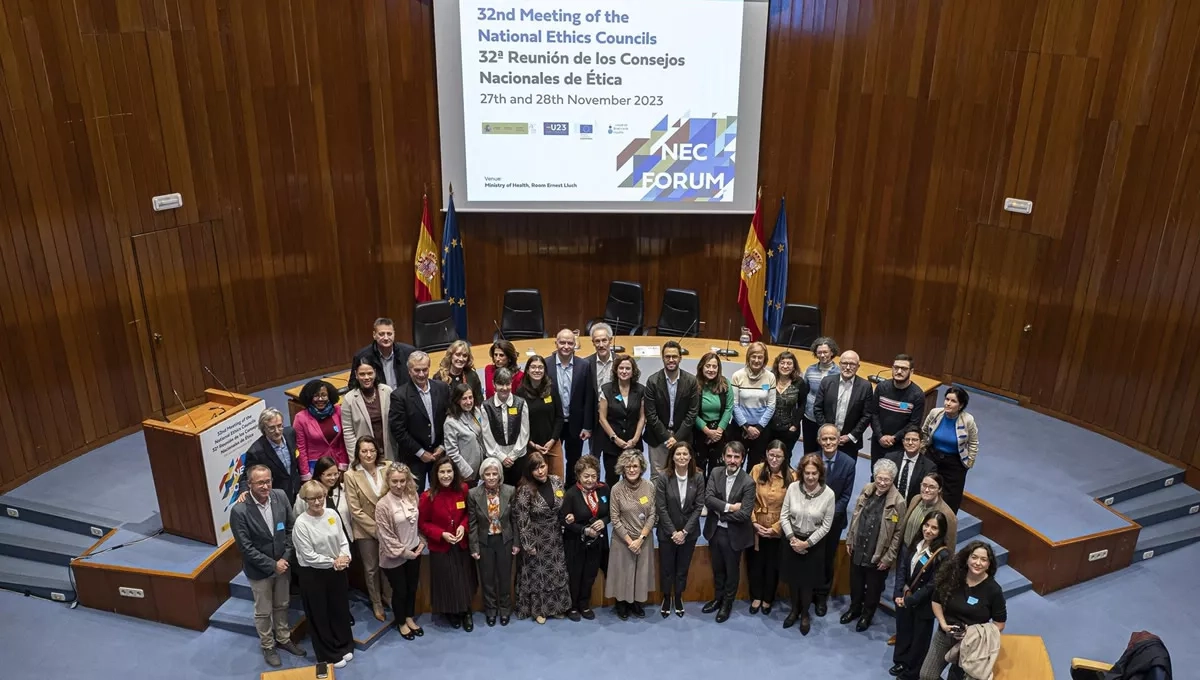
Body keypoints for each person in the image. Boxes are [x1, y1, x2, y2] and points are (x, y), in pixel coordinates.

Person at [229, 465, 307, 667]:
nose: (265, 486)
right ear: (250, 484)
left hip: (283, 564)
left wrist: (285, 558)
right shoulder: (239, 511)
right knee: (263, 611)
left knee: (282, 604)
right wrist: (273, 565)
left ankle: (283, 638)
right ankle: (268, 645)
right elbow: (246, 548)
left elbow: (291, 529)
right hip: (259, 570)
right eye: (260, 483)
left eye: (268, 481)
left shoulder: (280, 496)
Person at [920, 541, 1007, 680]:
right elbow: (936, 601)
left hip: (971, 643)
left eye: (983, 559)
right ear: (967, 558)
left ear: (989, 564)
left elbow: (999, 624)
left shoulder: (994, 590)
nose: (978, 563)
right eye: (974, 557)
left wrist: (972, 633)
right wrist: (943, 624)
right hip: (944, 635)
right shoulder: (952, 576)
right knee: (926, 675)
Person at [293, 480, 354, 668]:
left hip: (337, 570)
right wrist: (333, 562)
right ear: (305, 500)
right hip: (314, 575)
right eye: (312, 499)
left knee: (339, 609)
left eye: (320, 497)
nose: (318, 502)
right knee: (320, 614)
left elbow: (343, 539)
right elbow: (308, 555)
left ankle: (344, 645)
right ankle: (329, 654)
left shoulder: (332, 514)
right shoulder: (301, 523)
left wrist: (345, 556)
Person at [843, 458, 906, 632]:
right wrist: (850, 538)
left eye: (887, 479)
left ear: (892, 480)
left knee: (873, 588)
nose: (882, 483)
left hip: (878, 552)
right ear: (874, 476)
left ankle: (867, 615)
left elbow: (898, 533)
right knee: (855, 582)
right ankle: (854, 608)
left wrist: (888, 557)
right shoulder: (866, 490)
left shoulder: (899, 501)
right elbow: (855, 516)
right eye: (880, 478)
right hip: (859, 546)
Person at [419, 456, 478, 632]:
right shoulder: (427, 496)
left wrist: (463, 527)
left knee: (464, 579)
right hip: (441, 546)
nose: (446, 475)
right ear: (436, 474)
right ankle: (451, 612)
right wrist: (441, 534)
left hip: (461, 544)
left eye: (449, 471)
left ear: (454, 472)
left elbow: (469, 514)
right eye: (442, 472)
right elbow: (423, 524)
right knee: (447, 581)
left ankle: (466, 611)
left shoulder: (463, 489)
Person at [780, 453, 836, 635]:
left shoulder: (829, 494)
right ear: (801, 473)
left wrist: (806, 544)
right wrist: (792, 539)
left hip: (813, 544)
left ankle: (804, 614)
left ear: (820, 474)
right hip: (792, 540)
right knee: (793, 580)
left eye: (814, 473)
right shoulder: (793, 488)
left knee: (807, 583)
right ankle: (794, 610)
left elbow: (826, 526)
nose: (810, 477)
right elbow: (784, 515)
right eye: (807, 473)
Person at [513, 452, 572, 623]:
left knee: (557, 571)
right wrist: (527, 544)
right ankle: (539, 610)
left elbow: (563, 506)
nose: (540, 471)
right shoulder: (524, 490)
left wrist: (567, 517)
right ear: (529, 471)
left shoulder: (556, 481)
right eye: (536, 469)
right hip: (536, 538)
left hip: (555, 536)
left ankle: (556, 607)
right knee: (539, 575)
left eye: (543, 466)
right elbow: (522, 519)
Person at [892, 511, 951, 679]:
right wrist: (898, 592)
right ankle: (901, 661)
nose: (928, 530)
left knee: (919, 641)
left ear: (941, 531)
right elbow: (903, 567)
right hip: (905, 597)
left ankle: (912, 672)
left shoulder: (943, 555)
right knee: (903, 632)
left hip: (923, 604)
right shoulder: (917, 542)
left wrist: (910, 600)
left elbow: (932, 585)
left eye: (934, 528)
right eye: (927, 525)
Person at [702, 441, 756, 623]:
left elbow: (745, 514)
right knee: (717, 568)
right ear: (723, 457)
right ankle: (718, 598)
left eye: (736, 457)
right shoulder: (715, 472)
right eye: (729, 456)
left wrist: (722, 514)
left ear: (742, 459)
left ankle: (727, 603)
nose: (732, 460)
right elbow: (708, 499)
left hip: (734, 534)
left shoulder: (748, 482)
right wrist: (730, 507)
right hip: (714, 531)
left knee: (731, 571)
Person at [343, 437, 393, 622]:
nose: (369, 454)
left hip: (389, 527)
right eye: (364, 451)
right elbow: (355, 510)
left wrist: (387, 528)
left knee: (389, 564)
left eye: (372, 450)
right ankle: (376, 602)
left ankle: (389, 597)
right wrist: (377, 530)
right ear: (358, 453)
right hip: (366, 529)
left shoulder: (388, 467)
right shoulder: (351, 475)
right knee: (371, 569)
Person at [654, 440, 705, 618]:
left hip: (689, 534)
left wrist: (684, 532)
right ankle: (666, 597)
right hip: (667, 532)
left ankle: (678, 597)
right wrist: (673, 532)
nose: (682, 457)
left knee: (682, 568)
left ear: (690, 457)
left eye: (685, 454)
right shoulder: (663, 477)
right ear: (672, 457)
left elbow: (699, 507)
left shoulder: (698, 477)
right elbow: (661, 507)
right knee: (667, 568)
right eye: (678, 454)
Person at [375, 463, 426, 640]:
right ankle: (401, 622)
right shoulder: (382, 505)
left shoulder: (412, 496)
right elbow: (385, 536)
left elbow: (417, 524)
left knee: (412, 588)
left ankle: (409, 617)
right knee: (400, 590)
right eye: (394, 481)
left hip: (415, 551)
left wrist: (421, 542)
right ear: (388, 481)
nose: (399, 485)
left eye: (402, 481)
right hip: (394, 556)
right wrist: (405, 553)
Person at [467, 458, 520, 627]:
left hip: (505, 540)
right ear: (482, 475)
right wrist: (474, 547)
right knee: (487, 578)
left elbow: (515, 520)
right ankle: (490, 610)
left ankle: (505, 609)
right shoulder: (473, 494)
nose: (491, 477)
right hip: (485, 541)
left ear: (500, 475)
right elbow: (472, 523)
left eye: (494, 474)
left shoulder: (510, 491)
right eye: (487, 474)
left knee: (504, 577)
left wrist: (516, 542)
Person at [388, 351, 450, 492]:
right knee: (414, 496)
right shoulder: (399, 396)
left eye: (424, 369)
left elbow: (449, 420)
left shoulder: (442, 388)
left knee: (442, 494)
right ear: (409, 371)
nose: (421, 374)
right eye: (417, 370)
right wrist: (421, 452)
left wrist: (442, 445)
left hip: (439, 454)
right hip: (414, 458)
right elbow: (398, 430)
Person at [605, 449, 656, 620]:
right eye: (628, 466)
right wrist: (629, 541)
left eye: (635, 466)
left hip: (643, 538)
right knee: (622, 573)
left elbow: (652, 515)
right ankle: (621, 603)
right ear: (623, 468)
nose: (632, 469)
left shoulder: (649, 487)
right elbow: (614, 518)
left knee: (640, 573)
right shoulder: (616, 489)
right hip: (622, 539)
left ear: (641, 468)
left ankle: (636, 603)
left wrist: (640, 539)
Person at [813, 423, 858, 616]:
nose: (829, 442)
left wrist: (828, 516)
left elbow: (846, 496)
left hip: (834, 521)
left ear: (839, 440)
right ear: (819, 440)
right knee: (811, 556)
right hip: (811, 519)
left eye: (832, 438)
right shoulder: (811, 460)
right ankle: (808, 591)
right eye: (825, 438)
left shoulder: (849, 463)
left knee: (826, 558)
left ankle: (821, 596)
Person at [560, 456, 609, 621]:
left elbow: (610, 513)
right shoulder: (571, 494)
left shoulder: (604, 490)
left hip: (597, 542)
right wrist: (584, 530)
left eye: (594, 476)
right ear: (579, 476)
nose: (590, 480)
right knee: (575, 575)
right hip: (576, 542)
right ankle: (572, 606)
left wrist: (604, 521)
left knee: (590, 574)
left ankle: (584, 604)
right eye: (586, 476)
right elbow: (563, 521)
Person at [747, 441, 794, 616]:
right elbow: (747, 498)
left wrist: (776, 528)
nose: (774, 459)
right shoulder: (756, 469)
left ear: (784, 457)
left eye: (778, 456)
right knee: (755, 563)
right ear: (766, 454)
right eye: (771, 455)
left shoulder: (793, 476)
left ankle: (768, 598)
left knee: (772, 565)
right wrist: (753, 522)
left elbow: (792, 507)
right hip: (756, 525)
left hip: (778, 526)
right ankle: (756, 596)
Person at [643, 340, 699, 482]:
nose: (671, 360)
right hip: (657, 436)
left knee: (681, 476)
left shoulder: (691, 381)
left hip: (682, 435)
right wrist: (667, 438)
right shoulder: (652, 381)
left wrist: (677, 438)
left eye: (674, 356)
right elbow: (651, 415)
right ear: (663, 358)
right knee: (657, 477)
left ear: (680, 358)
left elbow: (692, 413)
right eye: (668, 356)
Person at [921, 387, 979, 514]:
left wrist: (969, 463)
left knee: (951, 497)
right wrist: (922, 450)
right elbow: (924, 432)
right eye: (947, 399)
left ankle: (945, 520)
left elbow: (973, 443)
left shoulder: (968, 420)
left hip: (955, 461)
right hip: (932, 456)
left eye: (953, 401)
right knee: (927, 488)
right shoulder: (935, 413)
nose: (948, 403)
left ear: (961, 405)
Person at [549, 328, 595, 487]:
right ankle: (553, 491)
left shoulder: (584, 366)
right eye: (562, 342)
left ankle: (570, 490)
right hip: (553, 423)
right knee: (552, 460)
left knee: (574, 460)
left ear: (575, 345)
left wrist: (587, 426)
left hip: (575, 423)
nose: (566, 346)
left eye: (570, 343)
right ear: (555, 343)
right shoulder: (546, 364)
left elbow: (589, 397)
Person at [597, 355, 645, 487]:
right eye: (621, 368)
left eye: (628, 368)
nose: (624, 371)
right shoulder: (606, 389)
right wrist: (615, 438)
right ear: (616, 370)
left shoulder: (640, 390)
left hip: (633, 444)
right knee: (611, 480)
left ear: (633, 371)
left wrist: (635, 439)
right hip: (612, 445)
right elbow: (602, 418)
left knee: (633, 480)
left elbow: (642, 417)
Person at [814, 349, 872, 456]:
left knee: (847, 466)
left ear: (858, 366)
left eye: (852, 364)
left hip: (850, 443)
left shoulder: (866, 386)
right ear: (840, 364)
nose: (848, 367)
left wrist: (850, 436)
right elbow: (818, 408)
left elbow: (867, 415)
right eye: (845, 363)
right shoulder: (827, 381)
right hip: (826, 440)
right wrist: (828, 432)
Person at [870, 354, 926, 464]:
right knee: (875, 471)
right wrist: (880, 436)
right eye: (896, 367)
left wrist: (894, 438)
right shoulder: (881, 388)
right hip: (878, 441)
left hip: (900, 445)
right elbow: (874, 414)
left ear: (911, 371)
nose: (899, 371)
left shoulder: (917, 395)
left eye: (904, 368)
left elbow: (914, 423)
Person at [239, 408, 302, 504]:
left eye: (279, 426)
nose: (277, 431)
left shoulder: (290, 433)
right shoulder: (256, 451)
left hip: (297, 489)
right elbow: (247, 476)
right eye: (272, 428)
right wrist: (244, 491)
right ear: (264, 429)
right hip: (277, 497)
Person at [481, 367, 531, 486]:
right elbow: (487, 435)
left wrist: (513, 455)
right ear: (494, 384)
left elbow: (524, 432)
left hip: (518, 455)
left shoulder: (521, 403)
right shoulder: (486, 406)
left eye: (507, 384)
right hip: (495, 456)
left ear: (511, 383)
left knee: (519, 488)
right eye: (500, 384)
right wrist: (501, 456)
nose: (504, 388)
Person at [731, 342, 777, 470]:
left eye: (760, 357)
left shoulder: (770, 377)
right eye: (753, 356)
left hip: (761, 430)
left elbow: (771, 406)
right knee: (735, 463)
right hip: (740, 428)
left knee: (756, 467)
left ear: (764, 359)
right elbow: (733, 405)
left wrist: (758, 428)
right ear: (748, 357)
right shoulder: (737, 376)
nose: (756, 360)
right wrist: (747, 427)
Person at [517, 355, 564, 480]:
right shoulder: (520, 392)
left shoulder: (552, 389)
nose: (537, 370)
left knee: (557, 481)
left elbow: (559, 417)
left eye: (540, 367)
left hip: (552, 444)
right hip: (532, 446)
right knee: (534, 481)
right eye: (533, 367)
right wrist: (531, 443)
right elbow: (519, 422)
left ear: (545, 370)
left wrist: (553, 440)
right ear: (527, 370)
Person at [342, 359, 395, 465]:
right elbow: (348, 432)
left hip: (389, 451)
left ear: (375, 372)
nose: (366, 377)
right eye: (362, 374)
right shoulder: (349, 399)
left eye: (370, 373)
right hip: (366, 456)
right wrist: (355, 458)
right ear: (356, 375)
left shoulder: (387, 391)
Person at [294, 380, 347, 479]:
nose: (320, 399)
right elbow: (301, 449)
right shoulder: (300, 418)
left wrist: (344, 464)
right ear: (309, 397)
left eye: (324, 395)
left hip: (337, 463)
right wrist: (306, 475)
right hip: (315, 467)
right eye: (316, 396)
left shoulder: (337, 411)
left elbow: (342, 441)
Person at [694, 352, 734, 481]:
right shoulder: (693, 384)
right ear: (701, 367)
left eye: (714, 366)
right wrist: (707, 431)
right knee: (698, 469)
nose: (711, 369)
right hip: (700, 431)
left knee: (717, 470)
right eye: (708, 366)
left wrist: (719, 431)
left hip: (719, 432)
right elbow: (691, 411)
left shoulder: (725, 383)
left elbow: (729, 408)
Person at [292, 457, 352, 539]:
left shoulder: (343, 489)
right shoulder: (306, 493)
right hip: (319, 540)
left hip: (345, 538)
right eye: (329, 475)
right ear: (319, 475)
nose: (333, 478)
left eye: (336, 474)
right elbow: (297, 518)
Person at [351, 317, 415, 389]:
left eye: (389, 334)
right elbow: (353, 385)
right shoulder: (361, 356)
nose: (386, 338)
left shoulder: (409, 352)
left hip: (403, 395)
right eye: (381, 334)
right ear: (374, 335)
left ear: (394, 334)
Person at [800, 337, 840, 453]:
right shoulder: (810, 370)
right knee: (809, 451)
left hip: (828, 421)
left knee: (826, 451)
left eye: (825, 352)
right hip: (809, 418)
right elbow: (805, 391)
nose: (822, 355)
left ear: (832, 352)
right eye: (819, 352)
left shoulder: (839, 372)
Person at [768, 350, 807, 465]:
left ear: (794, 366)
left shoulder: (799, 382)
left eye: (789, 363)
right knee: (768, 456)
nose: (785, 366)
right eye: (782, 363)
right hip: (769, 427)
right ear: (777, 364)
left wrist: (795, 425)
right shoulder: (769, 379)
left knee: (785, 457)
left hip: (789, 429)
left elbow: (802, 405)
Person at [444, 383, 486, 483]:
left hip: (482, 469)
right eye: (464, 399)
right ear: (457, 400)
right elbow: (452, 453)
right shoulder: (450, 422)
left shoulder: (476, 411)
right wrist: (467, 472)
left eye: (470, 397)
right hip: (466, 475)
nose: (469, 402)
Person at [886, 428, 937, 506]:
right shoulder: (890, 458)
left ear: (921, 443)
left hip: (912, 507)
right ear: (903, 442)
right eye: (907, 439)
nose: (910, 443)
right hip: (889, 504)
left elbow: (928, 492)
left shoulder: (929, 467)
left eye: (914, 440)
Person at [435, 339, 483, 406]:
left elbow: (479, 402)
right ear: (451, 355)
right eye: (457, 355)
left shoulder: (472, 375)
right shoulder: (439, 377)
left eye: (464, 356)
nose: (461, 359)